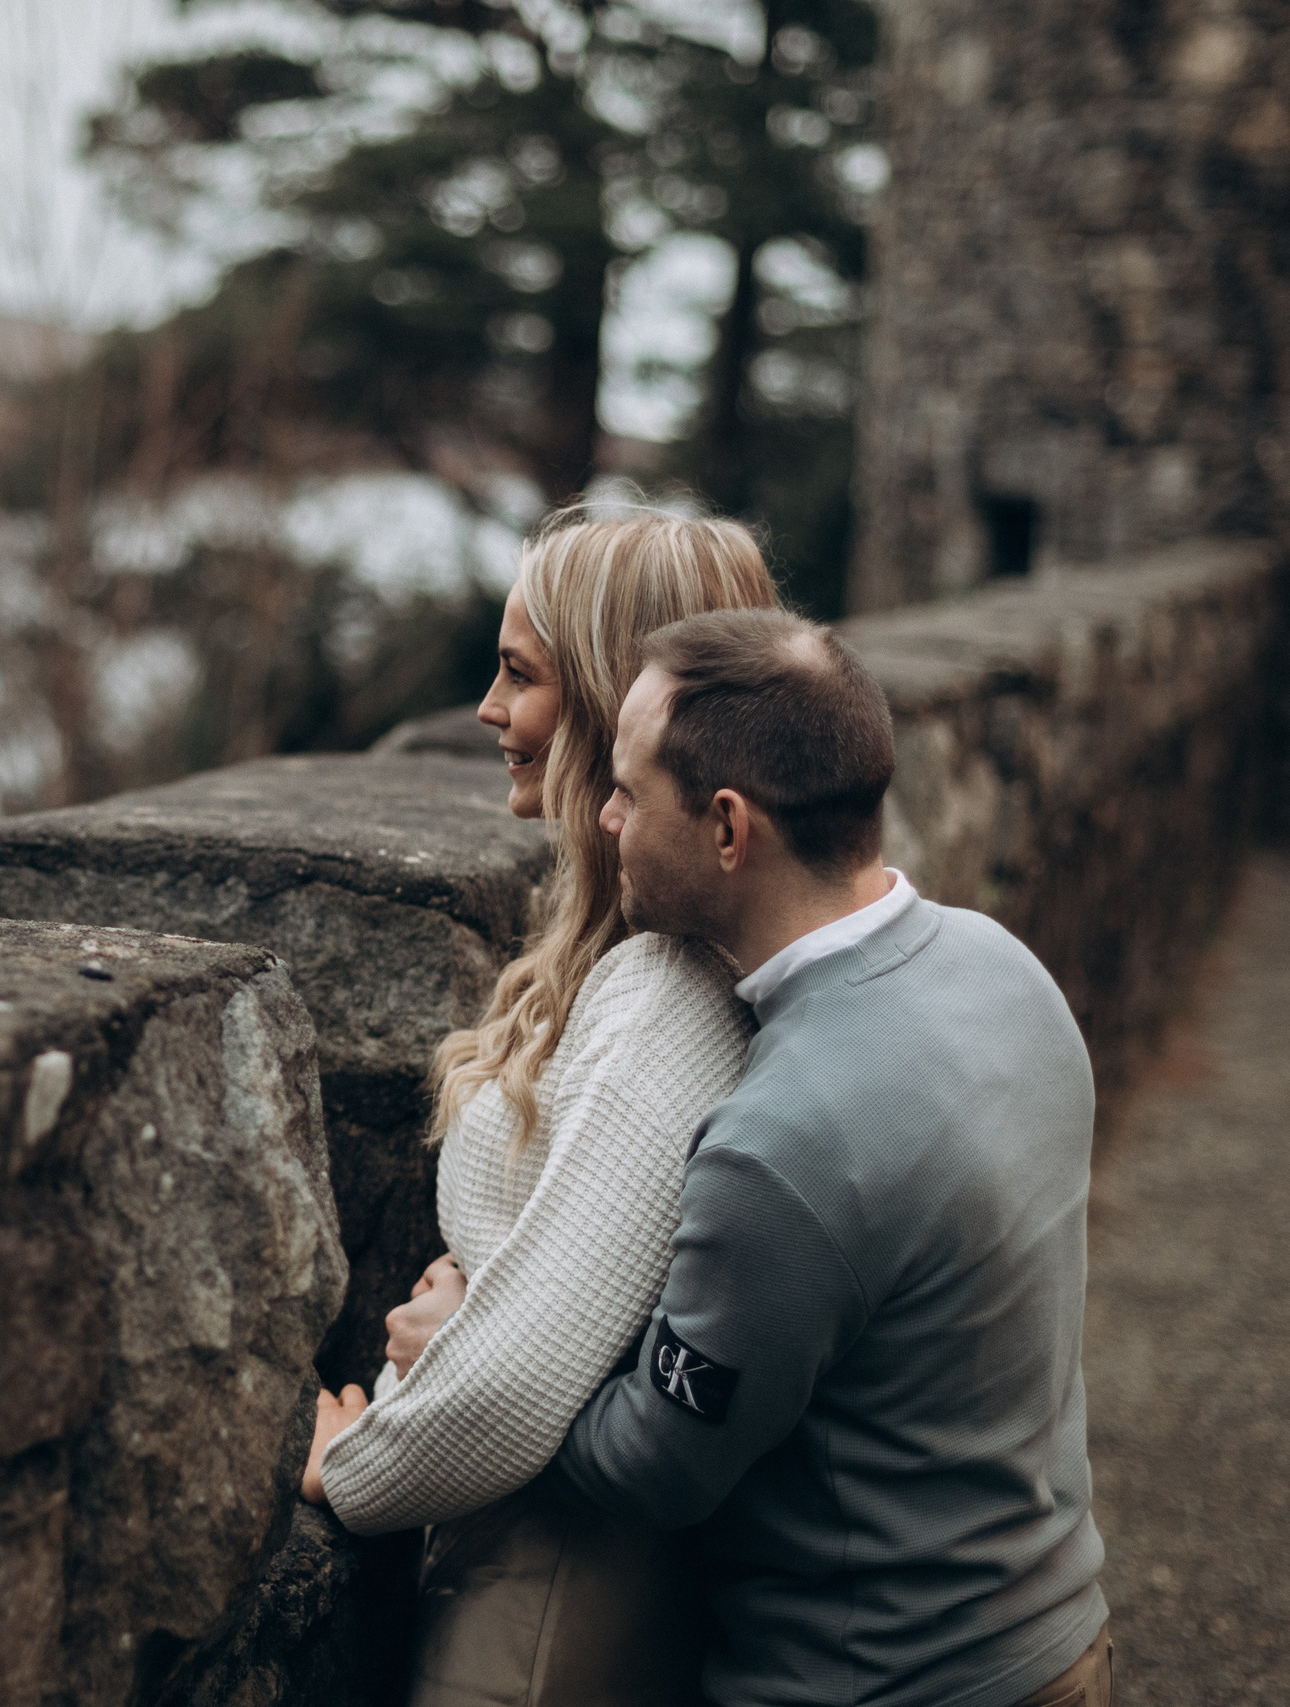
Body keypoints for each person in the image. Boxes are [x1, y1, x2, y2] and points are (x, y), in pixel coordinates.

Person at [556, 606, 1112, 1707]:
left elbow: (656, 1467)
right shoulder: (1005, 969)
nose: (605, 818)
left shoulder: (781, 1144)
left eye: (626, 790)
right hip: (1058, 1638)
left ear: (727, 827)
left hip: (878, 1681)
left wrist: (455, 1363)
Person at [298, 506, 776, 1707]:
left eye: (519, 674)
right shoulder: (632, 952)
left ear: (617, 704)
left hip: (558, 1602)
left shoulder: (667, 990)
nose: (485, 708)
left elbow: (530, 1379)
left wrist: (350, 1465)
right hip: (526, 1555)